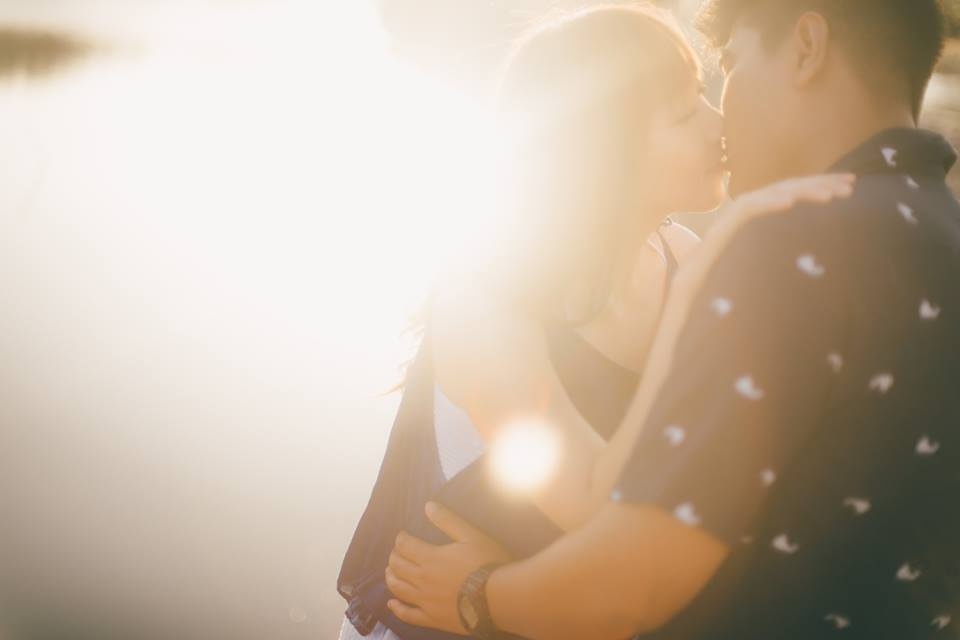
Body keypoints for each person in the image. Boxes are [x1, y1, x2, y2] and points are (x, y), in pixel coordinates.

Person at [385, 1, 960, 639]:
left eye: (719, 79)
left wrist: (488, 592)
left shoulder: (716, 256)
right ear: (605, 141)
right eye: (687, 110)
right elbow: (616, 503)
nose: (719, 121)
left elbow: (662, 527)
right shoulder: (487, 303)